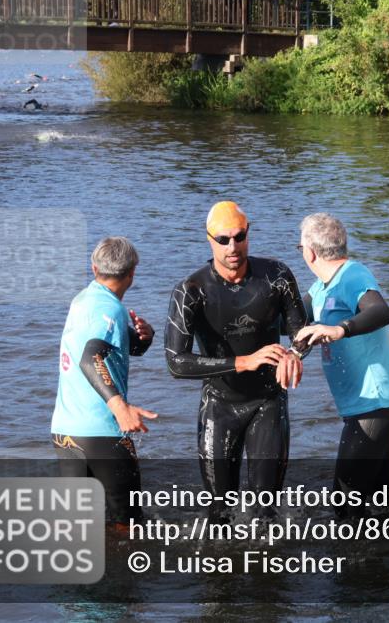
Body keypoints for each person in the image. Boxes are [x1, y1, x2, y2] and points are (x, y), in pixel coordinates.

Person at [165, 202, 307, 522]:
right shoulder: (191, 290)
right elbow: (176, 362)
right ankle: (221, 573)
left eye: (239, 237)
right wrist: (244, 361)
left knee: (265, 512)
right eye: (223, 239)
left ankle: (266, 570)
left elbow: (302, 333)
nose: (232, 246)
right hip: (219, 405)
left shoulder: (277, 276)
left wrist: (295, 356)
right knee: (219, 513)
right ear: (209, 239)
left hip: (268, 402)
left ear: (248, 234)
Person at [294, 214, 389, 518]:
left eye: (299, 247)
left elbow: (380, 311)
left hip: (373, 405)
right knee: (381, 498)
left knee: (345, 505)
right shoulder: (321, 288)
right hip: (378, 404)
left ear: (310, 252)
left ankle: (355, 564)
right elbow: (289, 319)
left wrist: (339, 329)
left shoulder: (352, 275)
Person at [52, 237, 158, 526]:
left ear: (94, 267)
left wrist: (143, 339)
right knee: (130, 526)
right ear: (132, 274)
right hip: (102, 434)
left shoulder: (84, 300)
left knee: (79, 527)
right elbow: (90, 357)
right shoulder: (110, 310)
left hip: (65, 433)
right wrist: (120, 407)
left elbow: (112, 346)